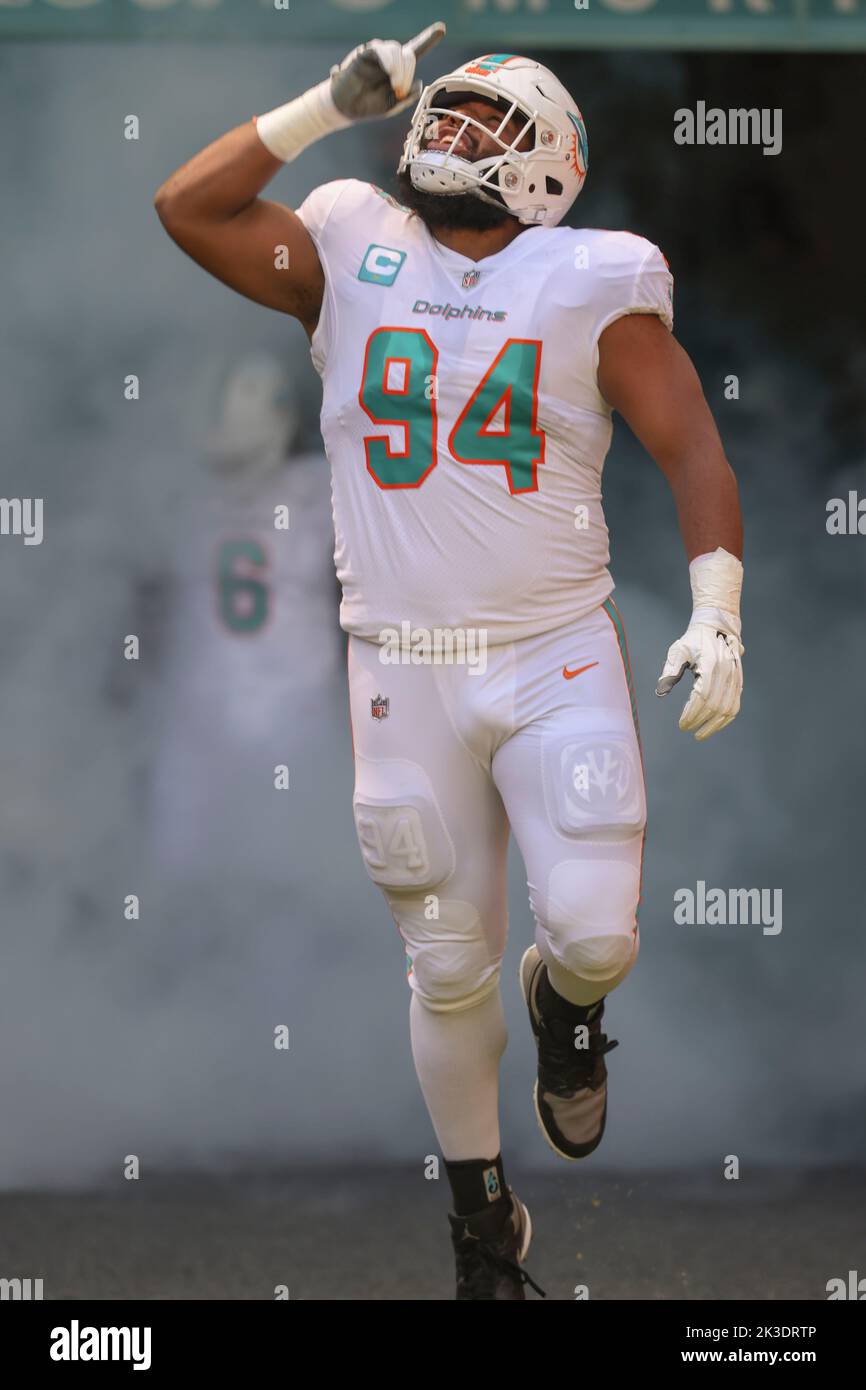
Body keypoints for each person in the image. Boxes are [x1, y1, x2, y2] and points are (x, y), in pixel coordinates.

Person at [154, 22, 744, 1301]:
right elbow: (185, 203)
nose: (448, 131)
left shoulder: (593, 274)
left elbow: (691, 447)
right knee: (440, 958)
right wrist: (325, 102)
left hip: (552, 650)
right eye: (448, 112)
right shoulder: (351, 235)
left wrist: (716, 606)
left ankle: (568, 1013)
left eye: (489, 124)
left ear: (549, 167)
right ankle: (482, 1230)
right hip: (402, 659)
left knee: (588, 931)